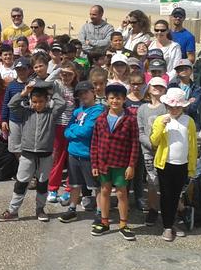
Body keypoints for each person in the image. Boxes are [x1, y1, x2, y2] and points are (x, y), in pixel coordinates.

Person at [0, 80, 66, 222]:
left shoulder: (52, 114)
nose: (37, 104)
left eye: (40, 101)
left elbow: (62, 104)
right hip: (27, 154)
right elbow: (11, 105)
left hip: (45, 154)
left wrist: (51, 92)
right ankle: (13, 211)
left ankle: (40, 209)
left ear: (47, 101)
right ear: (30, 101)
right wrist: (24, 92)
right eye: (34, 101)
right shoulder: (25, 112)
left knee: (42, 183)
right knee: (21, 182)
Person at [90, 83, 139, 240]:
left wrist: (131, 165)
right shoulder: (100, 119)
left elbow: (134, 144)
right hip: (103, 162)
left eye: (118, 98)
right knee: (104, 191)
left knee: (121, 193)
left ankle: (123, 224)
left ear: (124, 99)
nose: (115, 101)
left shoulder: (130, 119)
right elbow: (94, 143)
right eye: (111, 98)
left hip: (121, 162)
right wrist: (94, 164)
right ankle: (104, 222)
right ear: (107, 99)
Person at [150, 87, 198, 242]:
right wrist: (162, 126)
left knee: (176, 196)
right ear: (166, 106)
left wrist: (192, 167)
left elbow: (192, 145)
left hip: (182, 165)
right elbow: (154, 141)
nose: (175, 109)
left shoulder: (189, 121)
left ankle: (172, 223)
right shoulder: (160, 119)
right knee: (166, 195)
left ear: (183, 106)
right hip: (165, 164)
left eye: (178, 107)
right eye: (171, 106)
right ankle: (167, 227)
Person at [56, 81, 105, 222]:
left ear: (93, 92)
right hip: (73, 152)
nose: (83, 96)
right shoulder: (77, 111)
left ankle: (100, 212)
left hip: (88, 154)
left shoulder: (98, 110)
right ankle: (72, 208)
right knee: (74, 183)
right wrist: (72, 132)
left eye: (86, 92)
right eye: (80, 94)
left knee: (96, 185)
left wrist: (72, 132)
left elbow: (87, 131)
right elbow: (66, 131)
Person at [137, 77, 168, 226]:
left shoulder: (166, 108)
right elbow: (140, 130)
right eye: (154, 86)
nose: (157, 88)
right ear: (148, 88)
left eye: (161, 86)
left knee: (165, 181)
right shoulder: (142, 109)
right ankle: (153, 209)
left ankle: (170, 208)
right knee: (151, 181)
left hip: (165, 150)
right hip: (148, 150)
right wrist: (150, 144)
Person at [47, 61, 78, 204]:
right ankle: (52, 188)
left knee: (72, 159)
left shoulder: (76, 88)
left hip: (73, 126)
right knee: (57, 158)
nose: (66, 76)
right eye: (63, 74)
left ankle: (68, 189)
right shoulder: (57, 85)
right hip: (58, 125)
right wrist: (59, 69)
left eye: (69, 74)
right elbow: (46, 82)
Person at [169, 59, 201, 127]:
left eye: (186, 68)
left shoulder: (196, 88)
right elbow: (170, 104)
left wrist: (178, 104)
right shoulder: (172, 86)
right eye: (180, 69)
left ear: (191, 71)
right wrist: (187, 102)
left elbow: (193, 107)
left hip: (191, 119)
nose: (183, 71)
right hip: (173, 119)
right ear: (177, 72)